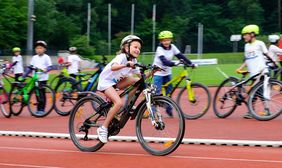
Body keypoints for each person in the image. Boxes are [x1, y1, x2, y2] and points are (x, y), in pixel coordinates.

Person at [96, 35, 153, 143]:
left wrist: (153, 72)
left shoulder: (134, 60)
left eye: (139, 48)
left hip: (116, 83)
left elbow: (142, 78)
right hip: (106, 82)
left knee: (137, 81)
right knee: (118, 103)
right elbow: (113, 67)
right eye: (135, 47)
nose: (138, 50)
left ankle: (128, 104)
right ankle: (103, 128)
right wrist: (126, 65)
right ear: (127, 48)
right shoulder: (122, 57)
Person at [152, 30, 195, 117]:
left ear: (171, 40)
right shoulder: (159, 49)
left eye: (168, 40)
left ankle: (169, 110)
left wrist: (191, 63)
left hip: (167, 73)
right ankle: (152, 112)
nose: (166, 42)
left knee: (169, 92)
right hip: (158, 73)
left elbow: (181, 56)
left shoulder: (173, 47)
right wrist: (175, 63)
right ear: (161, 41)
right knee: (156, 93)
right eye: (164, 40)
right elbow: (164, 61)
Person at [236, 25, 274, 119]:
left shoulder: (259, 43)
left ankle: (266, 110)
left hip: (261, 71)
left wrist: (273, 62)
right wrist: (240, 68)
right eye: (243, 35)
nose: (244, 37)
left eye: (246, 35)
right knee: (253, 92)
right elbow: (247, 59)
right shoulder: (246, 46)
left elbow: (267, 54)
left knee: (259, 92)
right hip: (253, 74)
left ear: (252, 34)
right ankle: (251, 110)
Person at [23, 41, 53, 115]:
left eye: (41, 48)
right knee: (37, 94)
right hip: (35, 78)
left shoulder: (46, 57)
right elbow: (30, 67)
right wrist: (24, 75)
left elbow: (50, 66)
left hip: (43, 78)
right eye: (37, 48)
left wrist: (46, 69)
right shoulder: (34, 57)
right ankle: (38, 109)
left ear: (44, 49)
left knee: (42, 93)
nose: (39, 49)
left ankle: (42, 109)